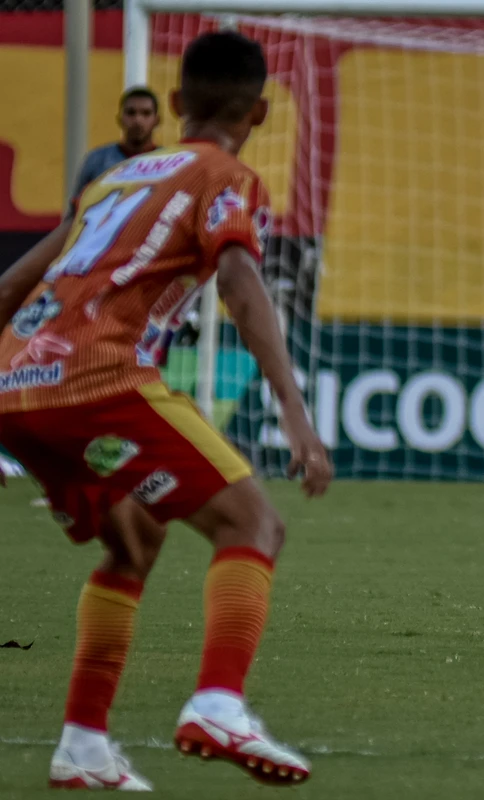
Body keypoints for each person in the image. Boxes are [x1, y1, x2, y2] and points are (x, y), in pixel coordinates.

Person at [0, 31, 332, 790]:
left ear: (176, 104)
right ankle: (218, 702)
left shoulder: (109, 182)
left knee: (132, 544)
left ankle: (82, 745)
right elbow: (242, 288)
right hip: (100, 381)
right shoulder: (227, 175)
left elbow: (10, 287)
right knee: (254, 524)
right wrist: (294, 411)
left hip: (15, 393)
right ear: (262, 112)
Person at [73, 87, 161, 198]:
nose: (138, 120)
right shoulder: (97, 160)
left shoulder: (170, 162)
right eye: (131, 113)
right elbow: (77, 209)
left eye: (146, 113)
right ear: (119, 119)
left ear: (157, 120)